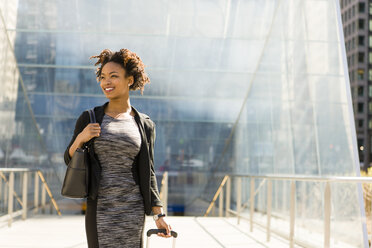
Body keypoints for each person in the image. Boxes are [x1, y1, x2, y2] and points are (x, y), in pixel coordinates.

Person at [63, 48, 172, 248]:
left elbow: (149, 174)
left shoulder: (145, 124)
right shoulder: (89, 118)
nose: (106, 82)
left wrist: (159, 216)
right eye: (103, 77)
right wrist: (81, 137)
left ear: (129, 80)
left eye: (114, 76)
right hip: (100, 208)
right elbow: (69, 158)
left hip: (133, 209)